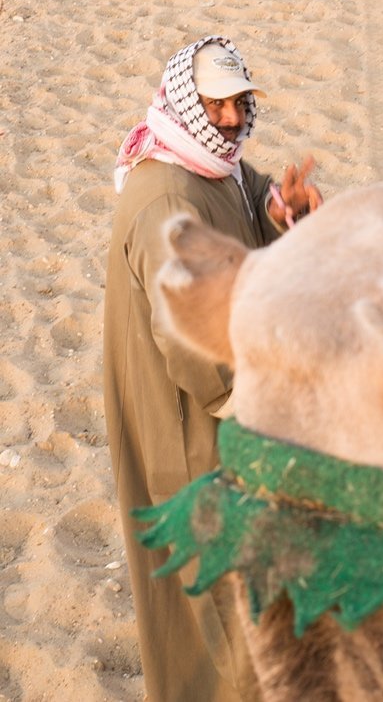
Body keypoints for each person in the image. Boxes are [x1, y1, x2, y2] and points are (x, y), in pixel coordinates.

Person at [103, 35, 322, 702]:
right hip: (189, 421)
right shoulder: (165, 198)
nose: (231, 119)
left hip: (220, 409)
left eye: (239, 103)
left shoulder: (213, 166)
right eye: (216, 104)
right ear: (186, 103)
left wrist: (288, 210)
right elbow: (189, 340)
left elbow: (258, 204)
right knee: (214, 595)